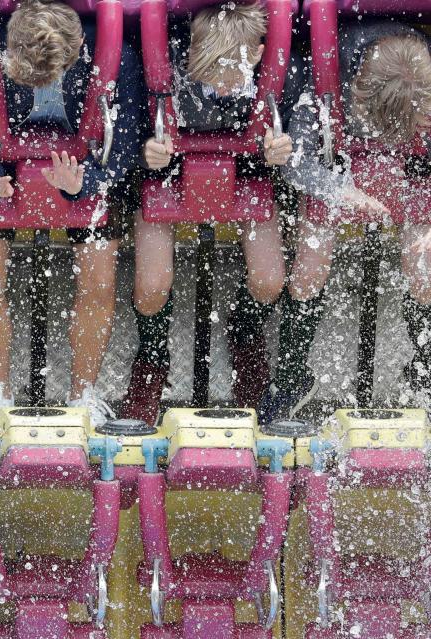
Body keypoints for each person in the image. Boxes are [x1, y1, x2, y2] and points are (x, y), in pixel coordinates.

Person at [0, 0, 145, 426]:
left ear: (79, 49)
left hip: (85, 171)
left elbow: (124, 144)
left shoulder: (116, 58)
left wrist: (86, 185)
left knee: (99, 284)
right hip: (5, 170)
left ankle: (85, 393)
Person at [121, 2, 303, 426]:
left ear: (257, 55)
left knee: (269, 280)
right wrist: (146, 152)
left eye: (230, 79)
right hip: (169, 175)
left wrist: (281, 151)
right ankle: (151, 360)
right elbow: (126, 136)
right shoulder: (163, 69)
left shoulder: (281, 76)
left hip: (246, 173)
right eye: (210, 79)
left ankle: (244, 329)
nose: (221, 88)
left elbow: (306, 144)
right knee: (152, 285)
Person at [261, 21, 431, 420]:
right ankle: (290, 377)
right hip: (339, 172)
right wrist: (341, 191)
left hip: (416, 175)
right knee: (307, 271)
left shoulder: (424, 90)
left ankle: (423, 373)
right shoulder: (325, 69)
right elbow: (296, 163)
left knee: (425, 271)